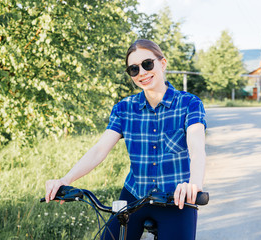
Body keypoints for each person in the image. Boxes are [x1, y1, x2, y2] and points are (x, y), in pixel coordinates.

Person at [44, 39, 207, 240]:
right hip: (135, 196)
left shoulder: (189, 103)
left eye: (148, 64)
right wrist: (65, 180)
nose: (142, 73)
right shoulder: (124, 109)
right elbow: (99, 150)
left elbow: (196, 147)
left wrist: (193, 184)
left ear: (162, 63)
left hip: (176, 198)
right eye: (134, 69)